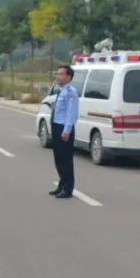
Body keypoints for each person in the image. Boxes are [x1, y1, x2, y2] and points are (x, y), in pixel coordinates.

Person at [49, 65, 79, 199]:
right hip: (57, 127)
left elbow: (71, 113)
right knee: (58, 159)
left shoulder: (71, 92)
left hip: (64, 130)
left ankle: (67, 189)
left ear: (68, 77)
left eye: (61, 74)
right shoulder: (61, 91)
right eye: (58, 74)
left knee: (66, 160)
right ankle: (61, 185)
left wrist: (67, 131)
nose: (58, 76)